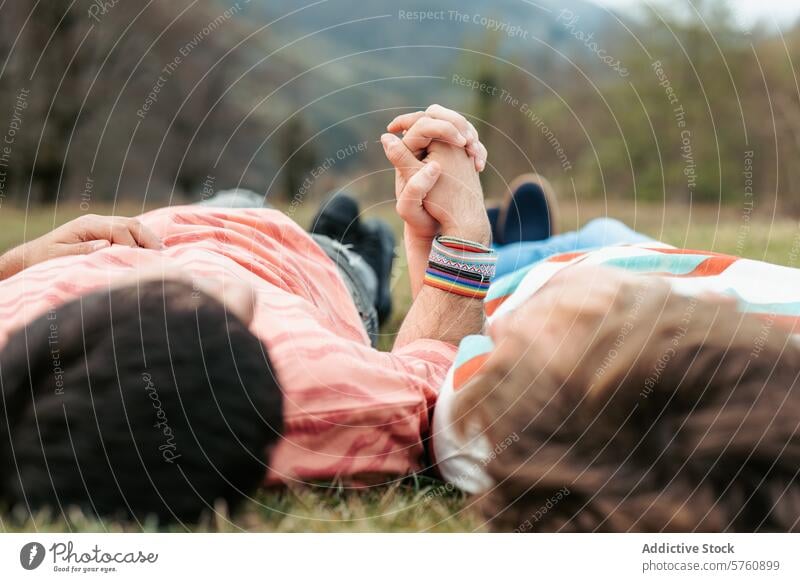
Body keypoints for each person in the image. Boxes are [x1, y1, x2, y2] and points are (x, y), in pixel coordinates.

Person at [0, 105, 496, 521]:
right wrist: (454, 230)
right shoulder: (322, 395)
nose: (241, 294)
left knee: (237, 202)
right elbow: (439, 369)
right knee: (358, 258)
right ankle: (355, 244)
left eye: (168, 296)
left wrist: (19, 262)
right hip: (308, 268)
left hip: (184, 220)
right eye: (238, 322)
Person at [427, 175, 800, 532]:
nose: (502, 330)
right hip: (646, 257)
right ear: (711, 301)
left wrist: (461, 237)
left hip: (526, 280)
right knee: (604, 232)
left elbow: (435, 351)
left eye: (503, 350)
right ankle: (521, 244)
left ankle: (508, 247)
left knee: (538, 260)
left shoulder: (496, 425)